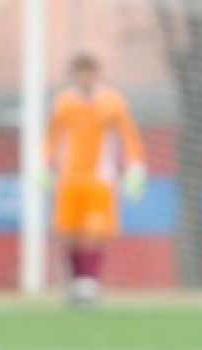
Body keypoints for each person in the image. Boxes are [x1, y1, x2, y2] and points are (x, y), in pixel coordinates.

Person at [44, 51, 147, 308]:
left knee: (94, 232)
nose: (84, 78)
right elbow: (52, 138)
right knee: (69, 233)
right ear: (73, 76)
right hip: (69, 178)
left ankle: (89, 284)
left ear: (96, 74)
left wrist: (135, 168)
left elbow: (129, 136)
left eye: (88, 72)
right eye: (79, 73)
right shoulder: (64, 104)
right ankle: (74, 284)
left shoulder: (113, 103)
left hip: (100, 178)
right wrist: (43, 166)